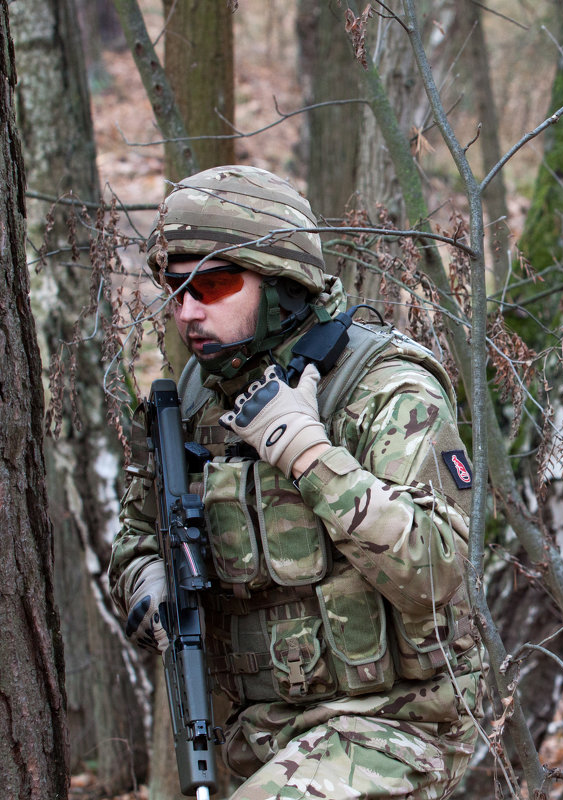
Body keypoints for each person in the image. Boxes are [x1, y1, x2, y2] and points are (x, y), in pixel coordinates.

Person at [109, 165, 482, 798]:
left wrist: (306, 451)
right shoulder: (197, 400)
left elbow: (438, 569)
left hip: (395, 727)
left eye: (215, 283)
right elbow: (139, 535)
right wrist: (148, 582)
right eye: (175, 290)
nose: (188, 311)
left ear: (285, 283)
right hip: (257, 738)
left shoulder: (383, 388)